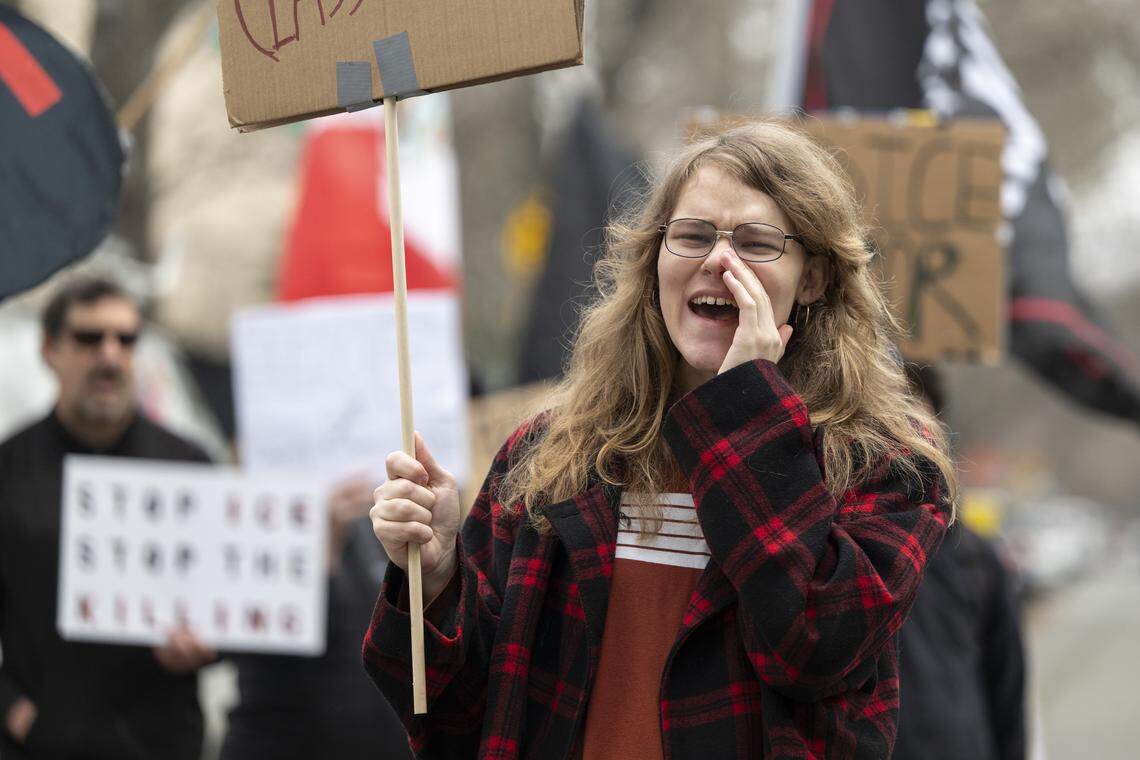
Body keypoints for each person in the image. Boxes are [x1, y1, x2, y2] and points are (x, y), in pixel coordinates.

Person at [364, 121, 957, 758]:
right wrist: (437, 576)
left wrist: (748, 410)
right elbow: (456, 720)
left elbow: (809, 648)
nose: (718, 262)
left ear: (811, 279)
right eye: (694, 236)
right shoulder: (551, 457)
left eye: (757, 242)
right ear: (654, 263)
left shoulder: (885, 470)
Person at [0, 277, 215, 760]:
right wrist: (14, 711)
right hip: (40, 746)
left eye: (126, 339)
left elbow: (231, 602)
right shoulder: (8, 470)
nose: (110, 355)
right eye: (89, 338)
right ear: (50, 349)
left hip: (163, 742)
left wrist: (207, 645)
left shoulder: (189, 466)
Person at [219, 477, 412, 760]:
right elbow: (258, 648)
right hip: (283, 739)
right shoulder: (248, 525)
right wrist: (319, 548)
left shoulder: (379, 523)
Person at [894, 363, 1026, 760]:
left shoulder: (976, 557)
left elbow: (1007, 693)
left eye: (913, 417)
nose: (900, 438)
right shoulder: (824, 546)